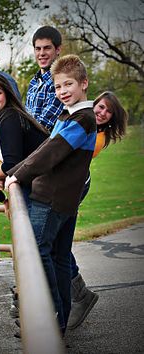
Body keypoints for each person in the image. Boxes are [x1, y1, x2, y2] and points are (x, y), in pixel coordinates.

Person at [5, 54, 97, 334]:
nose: (62, 91)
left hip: (53, 200)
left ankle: (48, 318)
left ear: (84, 83)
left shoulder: (83, 119)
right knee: (57, 256)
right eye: (57, 87)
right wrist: (13, 172)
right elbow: (43, 148)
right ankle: (59, 322)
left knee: (37, 252)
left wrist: (17, 175)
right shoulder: (68, 115)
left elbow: (51, 153)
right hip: (57, 199)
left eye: (68, 84)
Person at [67, 91, 128, 330]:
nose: (101, 112)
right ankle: (73, 296)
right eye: (99, 106)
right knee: (54, 245)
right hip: (70, 183)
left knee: (57, 245)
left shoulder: (97, 138)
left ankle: (79, 295)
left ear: (111, 117)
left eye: (107, 111)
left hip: (75, 186)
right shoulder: (84, 122)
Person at [0, 72, 49, 196]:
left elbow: (12, 164)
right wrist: (1, 177)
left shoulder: (9, 116)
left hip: (48, 184)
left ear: (6, 95)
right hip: (35, 183)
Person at [25, 26, 64, 132]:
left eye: (47, 48)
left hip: (47, 144)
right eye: (38, 49)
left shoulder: (60, 82)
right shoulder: (33, 82)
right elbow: (26, 118)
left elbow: (43, 126)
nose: (41, 53)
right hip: (29, 142)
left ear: (58, 49)